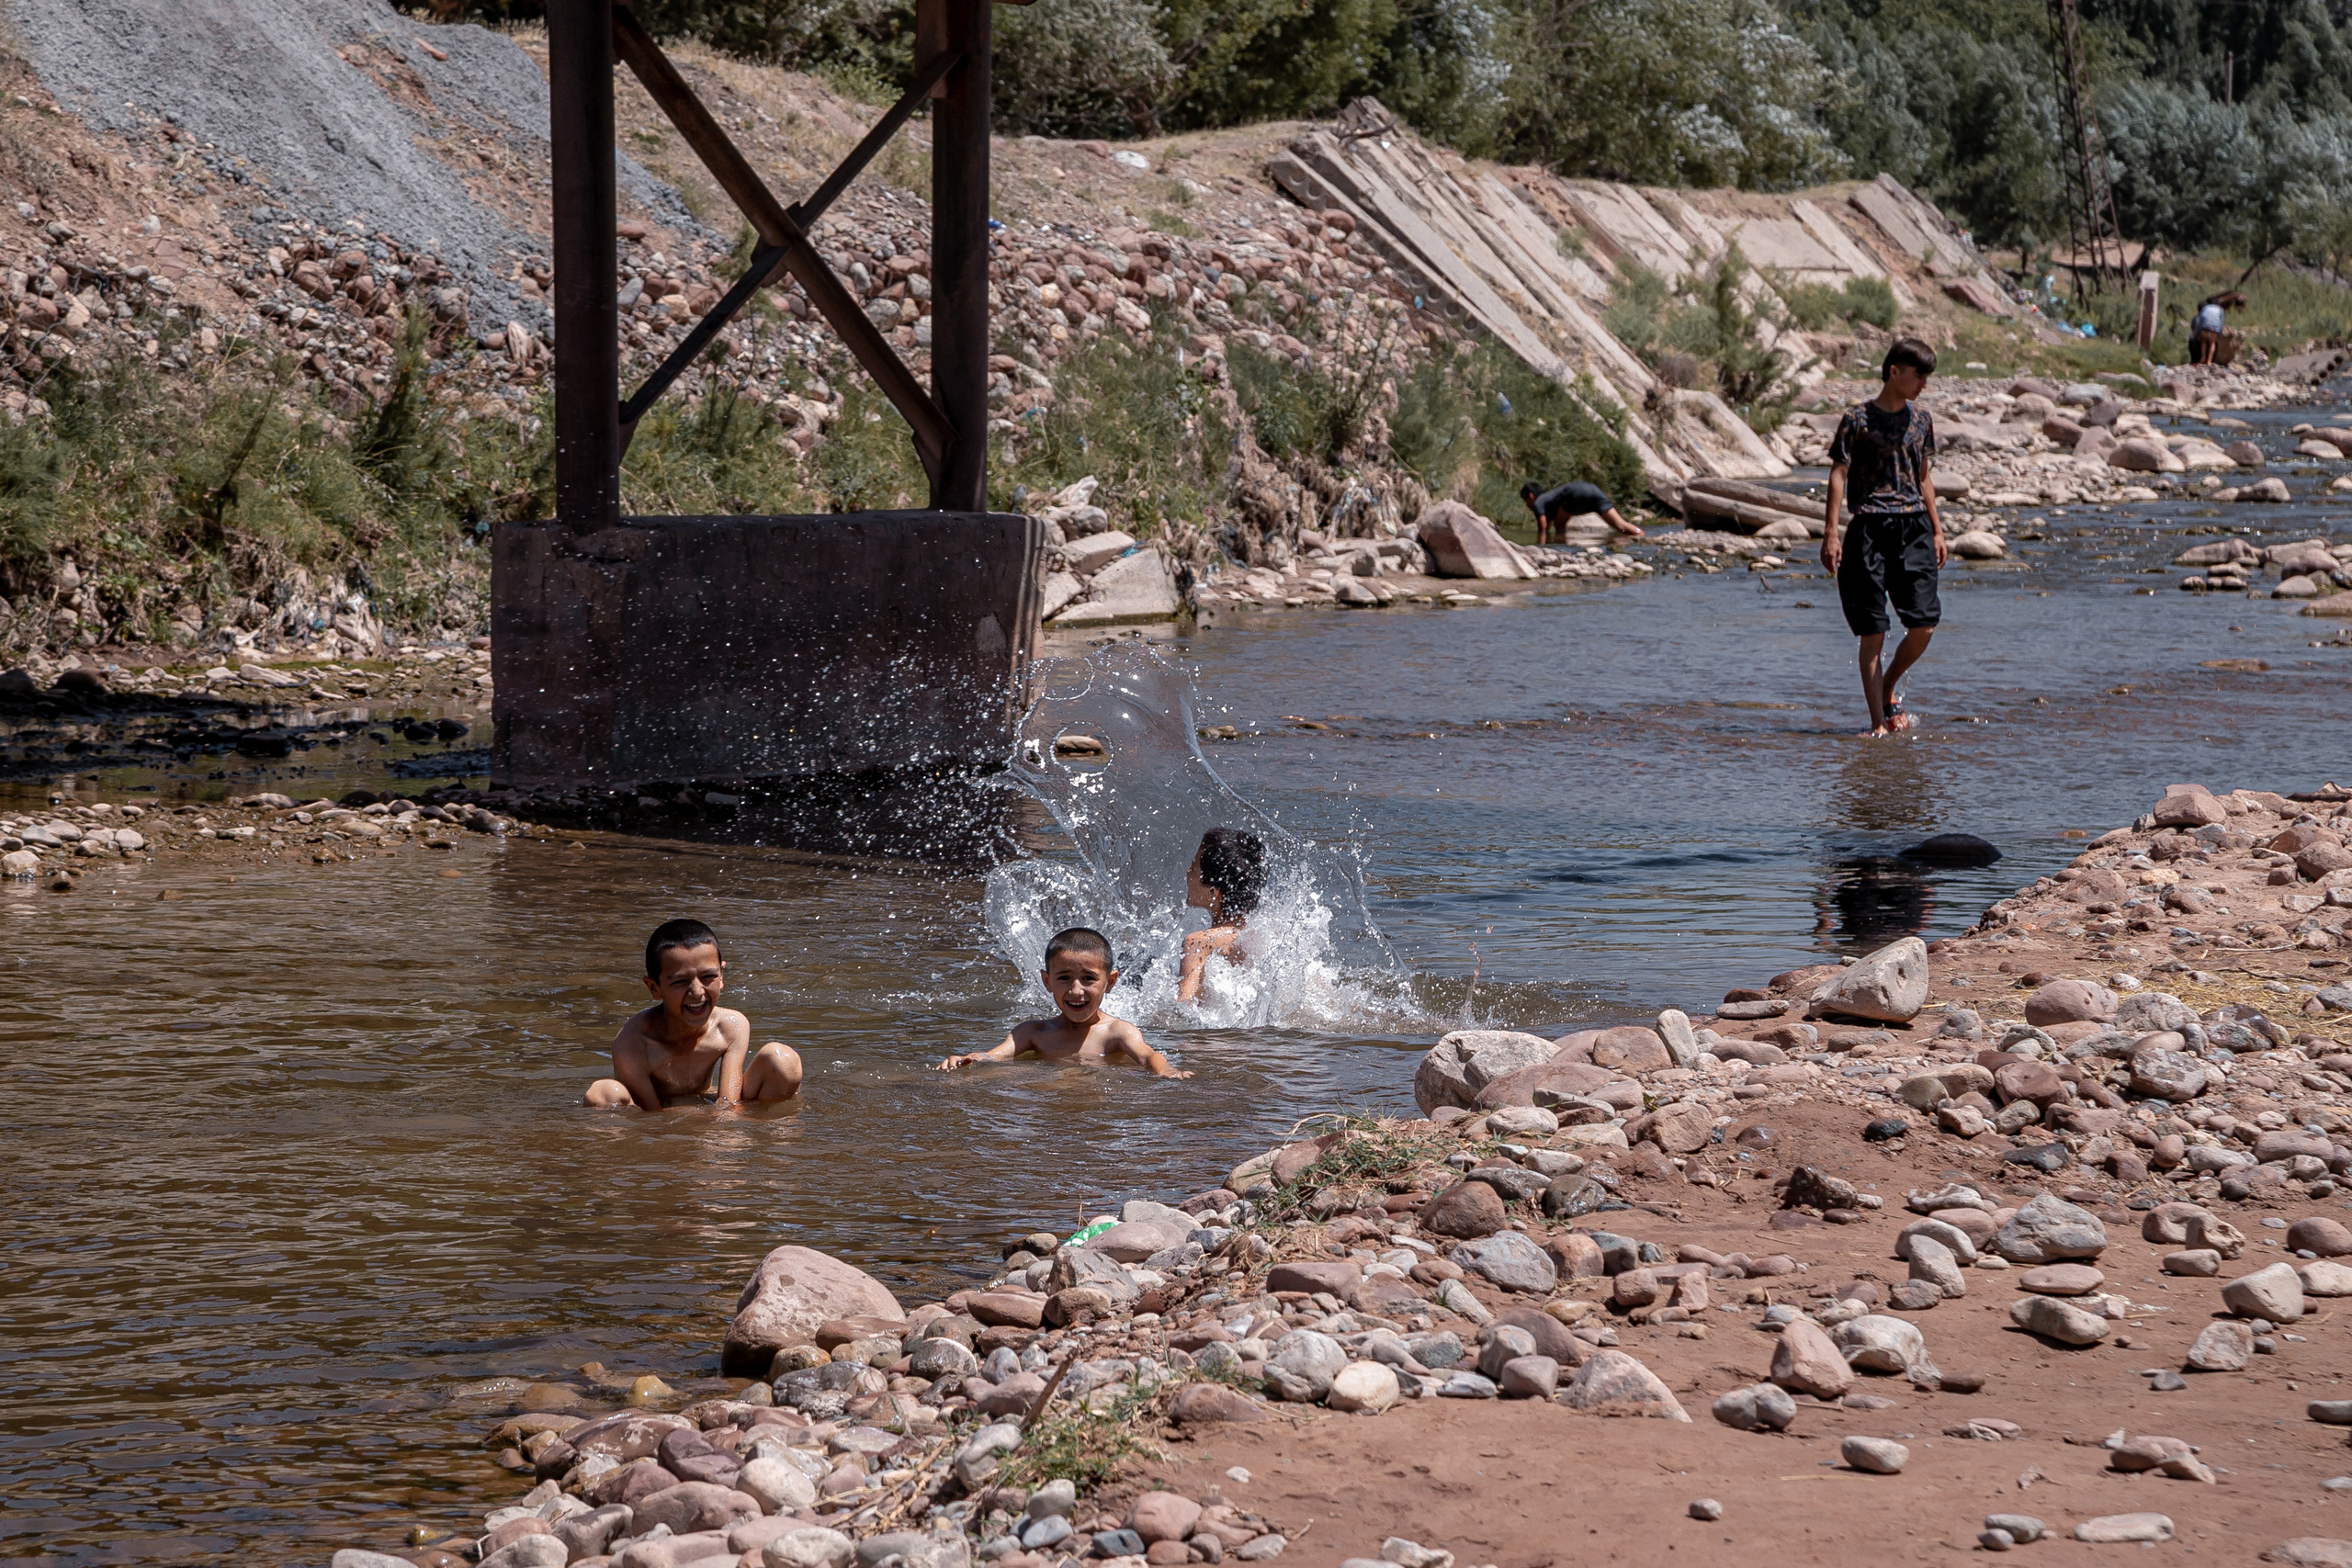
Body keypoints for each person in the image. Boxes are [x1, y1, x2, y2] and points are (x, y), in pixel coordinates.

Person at [1823, 338, 1945, 738]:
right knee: (1872, 631)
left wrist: (1938, 528)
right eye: (1919, 376)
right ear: (1894, 372)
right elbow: (1838, 474)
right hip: (1867, 530)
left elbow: (1923, 476)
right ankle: (1877, 723)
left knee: (1924, 623)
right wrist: (1831, 533)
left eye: (1927, 377)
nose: (1924, 384)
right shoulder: (1857, 419)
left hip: (1913, 529)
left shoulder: (1922, 420)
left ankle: (1889, 685)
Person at [584, 919, 805, 1110]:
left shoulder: (731, 1026)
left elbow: (728, 1105)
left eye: (708, 976)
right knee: (603, 1094)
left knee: (781, 1060)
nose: (697, 992)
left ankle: (775, 1138)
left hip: (704, 1104)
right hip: (654, 1113)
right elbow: (652, 1118)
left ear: (721, 975)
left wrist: (730, 1135)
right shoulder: (632, 1043)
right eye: (680, 982)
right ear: (653, 988)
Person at [937, 927, 1191, 1077]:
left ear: (1110, 982)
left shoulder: (1116, 1032)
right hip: (1048, 1113)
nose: (1076, 990)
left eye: (1088, 979)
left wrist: (1166, 1071)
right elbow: (993, 1056)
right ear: (1047, 981)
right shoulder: (1033, 1033)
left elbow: (1147, 1057)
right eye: (1064, 978)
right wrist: (966, 1059)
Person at [1179, 828, 1266, 1002]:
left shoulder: (1200, 942)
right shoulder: (1265, 934)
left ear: (1213, 893)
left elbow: (1183, 1008)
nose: (1187, 872)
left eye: (1193, 868)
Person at [1521, 479, 1644, 544]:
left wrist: (1539, 547)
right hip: (1593, 490)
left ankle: (1560, 546)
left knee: (1559, 525)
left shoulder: (1538, 502)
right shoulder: (1550, 498)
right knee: (1621, 526)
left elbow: (1542, 528)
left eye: (1526, 501)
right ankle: (1643, 537)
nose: (1527, 505)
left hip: (1575, 493)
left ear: (1530, 496)